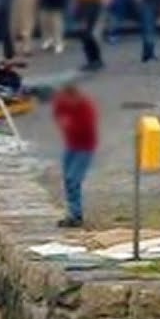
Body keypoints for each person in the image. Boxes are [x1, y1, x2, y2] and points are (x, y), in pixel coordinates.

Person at [52, 83, 98, 228]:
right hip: (71, 145)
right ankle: (72, 213)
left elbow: (86, 127)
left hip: (84, 147)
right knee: (67, 179)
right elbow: (57, 112)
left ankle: (76, 215)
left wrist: (69, 124)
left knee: (73, 179)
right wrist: (63, 121)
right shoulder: (62, 103)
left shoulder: (85, 107)